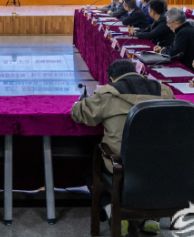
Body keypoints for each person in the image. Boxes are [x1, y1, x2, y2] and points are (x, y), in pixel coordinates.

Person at [71, 59, 174, 234]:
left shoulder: (107, 93)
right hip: (158, 163)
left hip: (121, 164)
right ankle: (151, 218)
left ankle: (112, 211)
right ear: (136, 72)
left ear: (112, 78)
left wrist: (78, 104)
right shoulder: (164, 90)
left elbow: (80, 114)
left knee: (93, 170)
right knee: (150, 165)